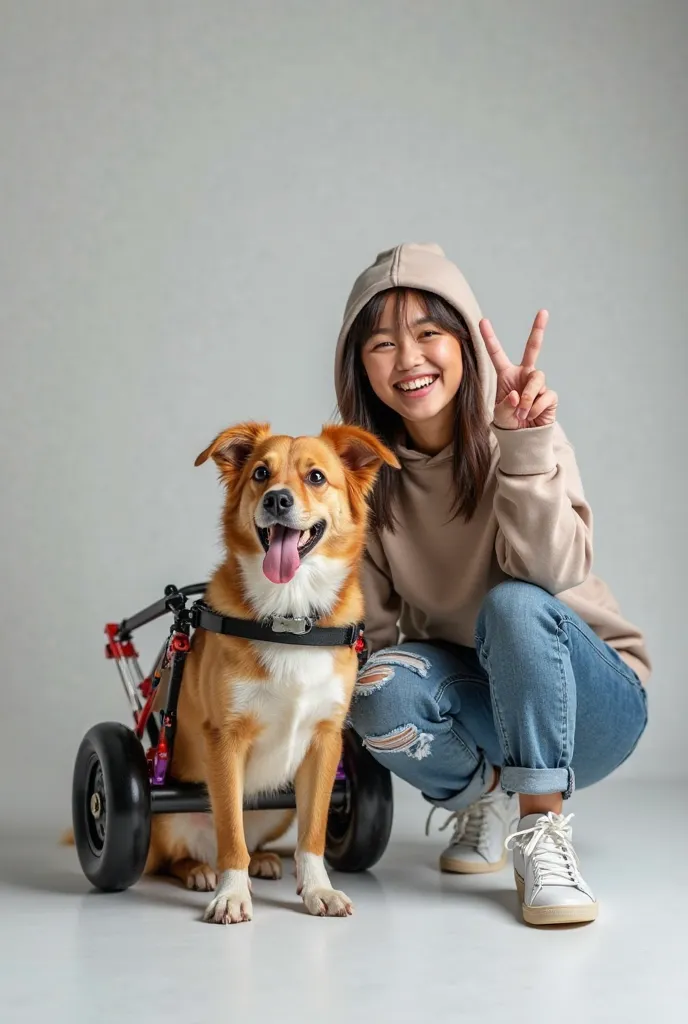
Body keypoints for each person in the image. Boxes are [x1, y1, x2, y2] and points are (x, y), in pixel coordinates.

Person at [334, 243, 649, 926]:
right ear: (360, 365)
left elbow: (550, 575)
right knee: (375, 688)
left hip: (591, 701)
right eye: (382, 343)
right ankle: (489, 797)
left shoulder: (525, 427)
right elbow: (377, 636)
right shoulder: (368, 477)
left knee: (514, 605)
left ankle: (541, 832)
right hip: (483, 703)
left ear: (465, 341)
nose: (409, 359)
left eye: (428, 334)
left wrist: (524, 447)